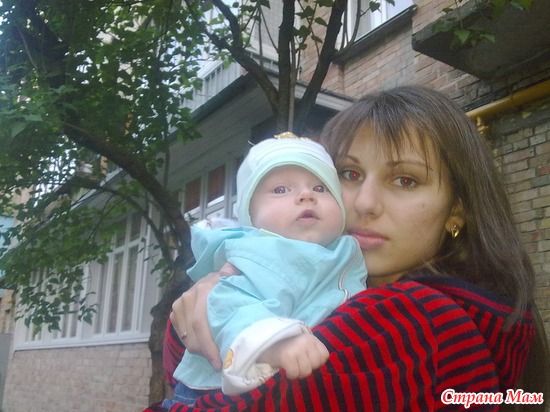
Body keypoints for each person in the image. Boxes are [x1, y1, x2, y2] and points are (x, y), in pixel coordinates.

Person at [153, 86, 550, 411]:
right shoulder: (337, 290)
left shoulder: (409, 318)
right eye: (349, 173)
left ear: (456, 210)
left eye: (406, 180)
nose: (365, 203)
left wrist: (200, 318)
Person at [163, 136, 367, 407]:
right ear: (250, 215)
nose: (306, 195)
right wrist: (276, 343)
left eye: (320, 187)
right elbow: (229, 304)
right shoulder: (262, 252)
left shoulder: (340, 251)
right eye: (281, 189)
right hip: (215, 394)